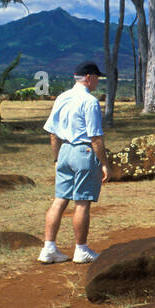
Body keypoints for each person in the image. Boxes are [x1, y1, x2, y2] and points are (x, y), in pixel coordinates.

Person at [39, 61, 109, 263]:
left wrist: (56, 157)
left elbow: (53, 133)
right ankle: (81, 249)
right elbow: (95, 137)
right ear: (88, 77)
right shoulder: (90, 101)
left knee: (59, 199)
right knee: (82, 202)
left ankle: (48, 248)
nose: (97, 81)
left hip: (65, 151)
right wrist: (104, 163)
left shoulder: (62, 97)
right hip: (83, 151)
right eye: (96, 78)